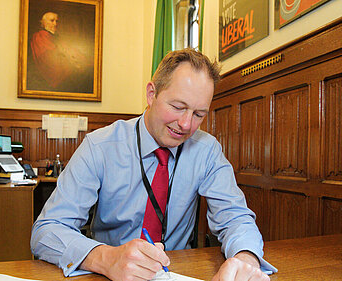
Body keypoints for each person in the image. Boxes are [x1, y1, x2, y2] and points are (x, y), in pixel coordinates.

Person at [31, 48, 277, 280]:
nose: (186, 124)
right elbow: (47, 230)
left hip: (176, 272)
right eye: (178, 107)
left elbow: (235, 217)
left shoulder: (207, 150)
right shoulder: (100, 146)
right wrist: (106, 258)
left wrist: (246, 259)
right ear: (152, 94)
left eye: (199, 114)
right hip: (107, 275)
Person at [29, 12, 91, 92]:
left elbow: (71, 51)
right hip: (58, 76)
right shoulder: (39, 36)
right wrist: (72, 63)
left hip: (69, 71)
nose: (55, 24)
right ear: (44, 22)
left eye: (56, 21)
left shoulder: (57, 37)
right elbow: (48, 58)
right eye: (52, 21)